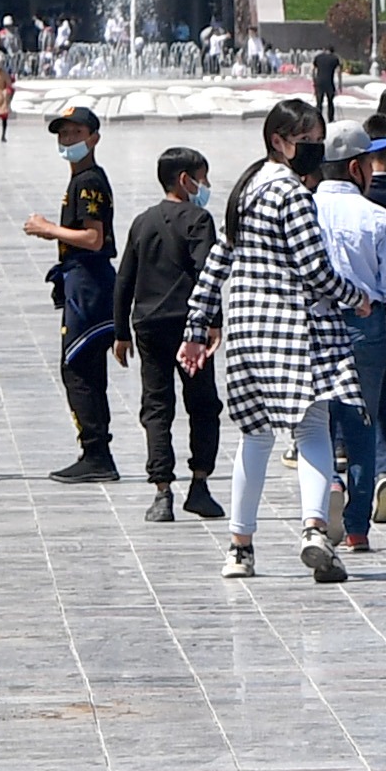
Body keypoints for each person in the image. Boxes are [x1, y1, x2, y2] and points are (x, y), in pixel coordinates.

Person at [180, 101, 370, 582]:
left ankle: (240, 547)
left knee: (255, 436)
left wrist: (197, 327)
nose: (315, 150)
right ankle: (313, 530)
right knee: (312, 427)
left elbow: (217, 262)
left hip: (245, 332)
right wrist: (358, 297)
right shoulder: (291, 195)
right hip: (290, 328)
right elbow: (315, 270)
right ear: (280, 141)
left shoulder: (245, 190)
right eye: (308, 140)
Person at [312, 114, 386, 547]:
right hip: (365, 326)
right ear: (357, 168)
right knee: (362, 423)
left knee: (317, 422)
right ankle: (356, 529)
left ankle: (327, 491)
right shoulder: (376, 218)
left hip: (315, 323)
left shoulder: (303, 210)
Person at [116, 146, 226, 524]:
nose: (206, 186)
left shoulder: (142, 221)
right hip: (187, 326)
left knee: (157, 406)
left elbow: (124, 278)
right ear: (185, 180)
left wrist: (120, 330)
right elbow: (207, 276)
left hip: (147, 324)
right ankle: (200, 484)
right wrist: (214, 322)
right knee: (203, 404)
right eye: (203, 177)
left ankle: (161, 491)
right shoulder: (199, 220)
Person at [28, 103, 127, 480]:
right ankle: (97, 451)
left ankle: (96, 453)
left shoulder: (88, 181)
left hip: (89, 281)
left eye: (76, 133)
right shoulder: (82, 178)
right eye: (63, 134)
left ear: (94, 138)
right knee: (85, 367)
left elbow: (93, 237)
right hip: (84, 280)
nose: (68, 140)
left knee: (78, 367)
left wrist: (48, 228)